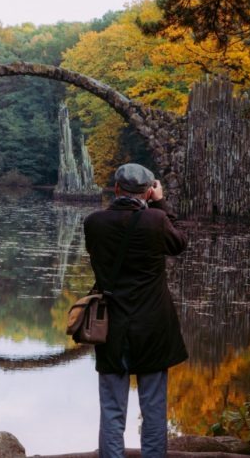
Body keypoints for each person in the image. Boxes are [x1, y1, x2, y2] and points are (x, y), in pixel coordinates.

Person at [83, 163, 188, 458]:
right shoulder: (156, 220)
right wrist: (161, 202)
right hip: (153, 326)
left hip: (111, 326)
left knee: (112, 411)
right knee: (153, 409)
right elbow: (179, 243)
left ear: (116, 188)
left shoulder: (94, 223)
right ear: (147, 191)